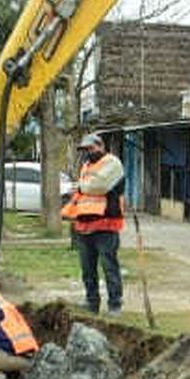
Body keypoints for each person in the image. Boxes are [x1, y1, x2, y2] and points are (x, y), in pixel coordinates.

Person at [61, 132, 125, 314]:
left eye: (90, 148)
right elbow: (84, 191)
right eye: (85, 149)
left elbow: (100, 186)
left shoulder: (112, 163)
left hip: (106, 224)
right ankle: (92, 302)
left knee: (109, 267)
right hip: (84, 226)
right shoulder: (86, 166)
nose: (88, 152)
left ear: (100, 146)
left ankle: (115, 304)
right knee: (87, 269)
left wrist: (81, 185)